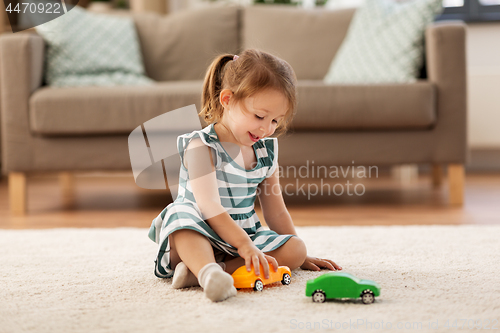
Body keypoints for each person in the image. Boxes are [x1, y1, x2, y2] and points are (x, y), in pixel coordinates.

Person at [148, 49, 342, 302]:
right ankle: (205, 268)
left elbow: (276, 211)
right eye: (260, 116)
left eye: (275, 121)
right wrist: (244, 246)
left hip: (244, 235)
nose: (266, 128)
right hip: (200, 231)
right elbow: (208, 206)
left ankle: (203, 274)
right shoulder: (201, 146)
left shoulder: (266, 151)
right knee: (181, 216)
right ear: (227, 99)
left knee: (295, 247)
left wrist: (299, 256)